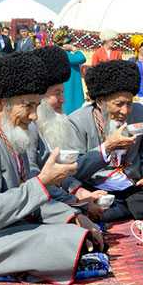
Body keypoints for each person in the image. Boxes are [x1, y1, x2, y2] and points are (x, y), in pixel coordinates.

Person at [0, 52, 103, 284]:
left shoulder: (13, 134)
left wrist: (71, 215)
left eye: (36, 105)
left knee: (76, 230)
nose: (34, 116)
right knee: (67, 241)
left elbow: (28, 201)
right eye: (27, 106)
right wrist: (43, 182)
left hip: (9, 227)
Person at [67, 60, 143, 222]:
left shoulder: (139, 111)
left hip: (132, 186)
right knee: (78, 200)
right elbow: (74, 171)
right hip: (96, 189)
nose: (125, 111)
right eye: (119, 104)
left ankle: (113, 211)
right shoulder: (77, 121)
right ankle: (124, 209)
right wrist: (106, 148)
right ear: (100, 101)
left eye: (129, 103)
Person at [28, 46, 109, 220]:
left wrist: (80, 192)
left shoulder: (54, 124)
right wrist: (76, 200)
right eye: (56, 93)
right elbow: (37, 182)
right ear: (38, 97)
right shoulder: (26, 130)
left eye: (63, 92)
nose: (62, 100)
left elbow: (61, 173)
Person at [52, 28, 86, 114]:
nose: (71, 43)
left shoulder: (59, 53)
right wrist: (74, 48)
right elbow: (82, 58)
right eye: (69, 42)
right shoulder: (65, 54)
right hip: (70, 86)